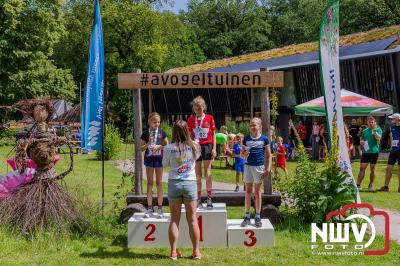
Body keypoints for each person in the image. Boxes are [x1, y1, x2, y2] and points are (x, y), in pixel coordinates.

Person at [162, 120, 201, 260]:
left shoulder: (168, 147)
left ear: (173, 132)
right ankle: (196, 251)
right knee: (192, 219)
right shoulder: (195, 145)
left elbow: (164, 164)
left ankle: (173, 252)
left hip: (174, 183)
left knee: (174, 219)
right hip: (190, 183)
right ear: (187, 130)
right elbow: (197, 159)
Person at [240, 117, 272, 228]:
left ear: (259, 126)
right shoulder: (246, 139)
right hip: (248, 166)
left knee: (257, 192)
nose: (252, 127)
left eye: (254, 125)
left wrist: (268, 168)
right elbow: (242, 154)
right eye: (251, 125)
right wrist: (244, 154)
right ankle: (247, 216)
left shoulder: (264, 139)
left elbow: (269, 155)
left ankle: (257, 216)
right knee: (248, 191)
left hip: (259, 167)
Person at [187, 96, 216, 209]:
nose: (198, 110)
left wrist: (214, 148)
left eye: (199, 107)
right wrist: (191, 144)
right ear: (193, 108)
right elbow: (188, 135)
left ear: (204, 107)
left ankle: (209, 198)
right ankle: (198, 199)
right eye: (195, 108)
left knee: (207, 173)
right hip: (196, 147)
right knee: (197, 175)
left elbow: (213, 133)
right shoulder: (190, 119)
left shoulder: (209, 118)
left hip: (207, 146)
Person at [140, 112, 168, 218]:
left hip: (159, 160)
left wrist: (159, 147)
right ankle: (150, 208)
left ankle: (160, 208)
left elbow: (167, 145)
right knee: (150, 183)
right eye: (154, 122)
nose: (156, 124)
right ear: (149, 122)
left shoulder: (162, 132)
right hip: (149, 160)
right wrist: (148, 144)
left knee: (159, 183)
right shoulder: (145, 133)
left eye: (158, 122)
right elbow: (141, 148)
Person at [356, 116, 382, 191]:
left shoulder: (378, 129)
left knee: (372, 169)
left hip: (374, 152)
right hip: (366, 152)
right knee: (362, 168)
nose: (370, 123)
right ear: (367, 122)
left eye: (372, 122)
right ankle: (358, 185)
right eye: (369, 122)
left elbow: (378, 138)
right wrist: (361, 142)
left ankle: (370, 185)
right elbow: (362, 139)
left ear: (375, 122)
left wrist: (374, 131)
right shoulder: (365, 131)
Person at [378, 113, 400, 193]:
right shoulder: (392, 127)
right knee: (388, 168)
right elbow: (392, 138)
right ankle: (386, 187)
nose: (391, 120)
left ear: (397, 119)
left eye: (392, 119)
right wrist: (391, 147)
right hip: (393, 150)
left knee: (399, 169)